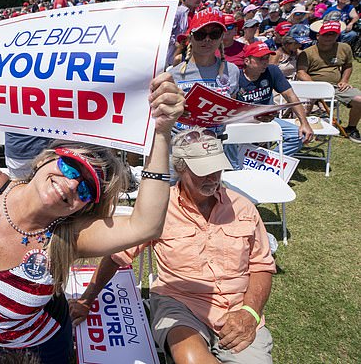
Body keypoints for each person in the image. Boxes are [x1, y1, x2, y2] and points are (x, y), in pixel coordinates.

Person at [0, 64, 184, 363]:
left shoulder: (68, 236)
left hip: (37, 349)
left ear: (84, 207)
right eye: (71, 166)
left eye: (88, 188)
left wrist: (162, 133)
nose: (73, 184)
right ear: (46, 159)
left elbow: (146, 225)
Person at [70, 128, 277, 364]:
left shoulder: (243, 207)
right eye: (203, 171)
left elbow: (262, 265)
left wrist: (249, 312)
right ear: (180, 168)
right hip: (180, 303)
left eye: (216, 168)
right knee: (190, 358)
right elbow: (117, 256)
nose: (213, 177)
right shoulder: (159, 209)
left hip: (238, 308)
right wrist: (86, 300)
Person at [237, 42, 313, 160]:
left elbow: (290, 96)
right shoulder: (236, 76)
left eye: (267, 58)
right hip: (242, 122)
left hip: (268, 120)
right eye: (260, 59)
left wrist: (304, 123)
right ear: (247, 61)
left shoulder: (272, 70)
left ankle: (266, 161)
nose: (265, 62)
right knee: (227, 137)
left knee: (299, 135)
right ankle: (238, 164)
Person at [170, 9, 240, 135]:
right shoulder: (173, 74)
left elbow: (232, 110)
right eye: (200, 34)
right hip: (180, 143)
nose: (207, 39)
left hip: (215, 143)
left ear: (221, 38)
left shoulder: (232, 71)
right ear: (190, 38)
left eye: (214, 34)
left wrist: (257, 117)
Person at [297, 20, 361, 143]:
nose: (329, 37)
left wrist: (344, 80)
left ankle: (351, 128)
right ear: (318, 36)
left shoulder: (344, 48)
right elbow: (301, 72)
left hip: (336, 87)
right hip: (312, 86)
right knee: (303, 107)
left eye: (333, 34)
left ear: (338, 35)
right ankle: (304, 128)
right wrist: (315, 87)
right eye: (326, 34)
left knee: (359, 100)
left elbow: (348, 65)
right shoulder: (307, 52)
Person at [168, 0, 204, 66]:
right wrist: (175, 43)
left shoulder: (196, 14)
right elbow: (167, 31)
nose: (200, 0)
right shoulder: (177, 12)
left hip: (191, 51)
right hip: (176, 51)